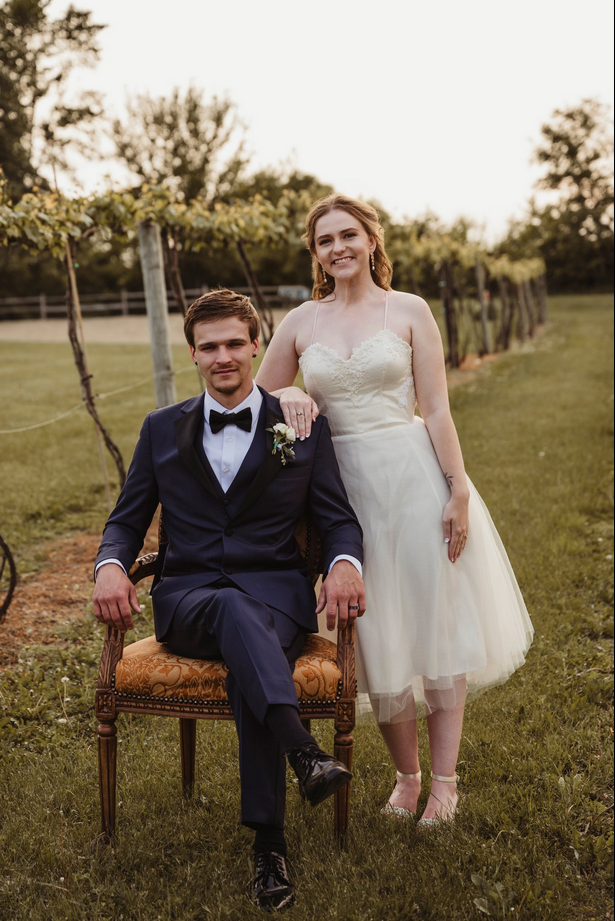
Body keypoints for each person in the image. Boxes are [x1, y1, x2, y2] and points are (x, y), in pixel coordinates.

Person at [256, 194, 533, 826]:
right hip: (341, 491)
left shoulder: (408, 310)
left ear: (371, 240)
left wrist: (457, 488)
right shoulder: (300, 321)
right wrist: (292, 393)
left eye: (348, 235)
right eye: (325, 240)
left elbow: (435, 408)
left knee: (436, 623)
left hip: (413, 481)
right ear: (315, 253)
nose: (338, 248)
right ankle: (406, 779)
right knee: (376, 634)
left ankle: (444, 783)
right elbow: (257, 398)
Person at [93, 288, 365, 911]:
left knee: (248, 637)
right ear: (192, 353)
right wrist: (110, 567)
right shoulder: (161, 428)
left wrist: (345, 565)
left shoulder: (299, 426)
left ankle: (270, 845)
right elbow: (126, 520)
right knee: (233, 612)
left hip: (276, 600)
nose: (223, 357)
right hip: (188, 601)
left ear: (256, 345)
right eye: (209, 346)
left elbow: (337, 519)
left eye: (234, 344)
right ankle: (303, 758)